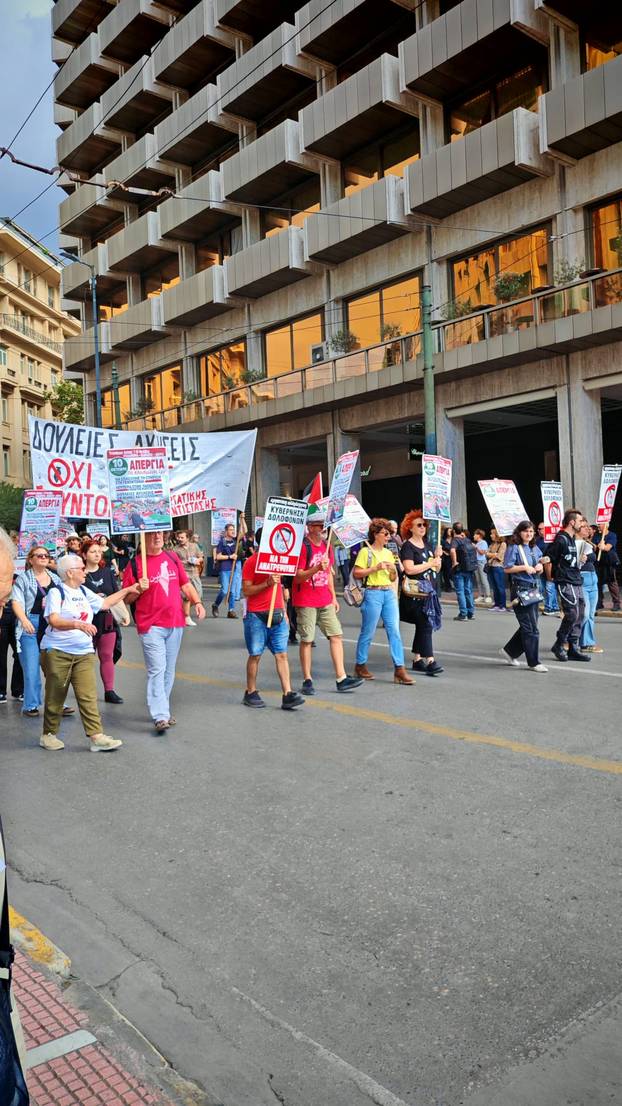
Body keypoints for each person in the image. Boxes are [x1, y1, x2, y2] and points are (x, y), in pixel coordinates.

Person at [38, 554, 142, 751]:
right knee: (56, 694)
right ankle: (49, 734)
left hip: (84, 652)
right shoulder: (56, 593)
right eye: (81, 568)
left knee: (87, 694)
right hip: (58, 651)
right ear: (70, 572)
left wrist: (128, 589)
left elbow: (104, 604)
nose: (85, 571)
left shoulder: (84, 591)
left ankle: (96, 737)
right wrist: (77, 624)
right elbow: (53, 620)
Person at [122, 531, 206, 732]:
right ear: (144, 537)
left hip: (175, 622)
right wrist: (138, 589)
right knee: (157, 669)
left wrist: (197, 602)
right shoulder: (135, 564)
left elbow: (185, 584)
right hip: (151, 625)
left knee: (169, 670)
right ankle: (160, 715)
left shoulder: (172, 557)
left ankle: (163, 709)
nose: (157, 536)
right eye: (153, 534)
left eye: (160, 533)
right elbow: (127, 599)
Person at [293, 518, 362, 695]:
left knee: (336, 635)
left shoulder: (327, 547)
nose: (323, 529)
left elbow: (329, 574)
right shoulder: (302, 547)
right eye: (319, 525)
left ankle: (341, 677)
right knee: (307, 640)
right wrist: (315, 569)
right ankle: (307, 679)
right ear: (309, 528)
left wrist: (333, 597)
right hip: (306, 599)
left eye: (324, 525)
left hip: (324, 599)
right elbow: (298, 577)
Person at [241, 533, 305, 710]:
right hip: (256, 615)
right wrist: (267, 583)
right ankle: (251, 691)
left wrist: (284, 608)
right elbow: (246, 590)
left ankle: (288, 693)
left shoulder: (280, 561)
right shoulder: (252, 562)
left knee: (282, 654)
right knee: (255, 654)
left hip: (277, 613)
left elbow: (280, 585)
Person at [353, 518, 413, 685]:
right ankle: (360, 665)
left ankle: (399, 669)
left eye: (390, 533)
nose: (388, 537)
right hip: (373, 593)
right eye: (385, 533)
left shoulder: (389, 552)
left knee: (394, 631)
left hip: (389, 592)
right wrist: (375, 568)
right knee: (368, 631)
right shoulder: (365, 552)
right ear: (375, 534)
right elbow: (357, 573)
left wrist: (392, 570)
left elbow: (393, 576)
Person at [11, 546, 63, 718]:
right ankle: (31, 704)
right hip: (30, 625)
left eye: (46, 555)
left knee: (56, 669)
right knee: (32, 668)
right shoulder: (23, 579)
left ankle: (59, 704)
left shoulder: (56, 578)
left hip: (51, 625)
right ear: (30, 559)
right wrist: (24, 620)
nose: (43, 558)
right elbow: (16, 602)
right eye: (38, 555)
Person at [82, 538, 128, 703]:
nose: (96, 554)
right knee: (85, 658)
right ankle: (85, 691)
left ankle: (109, 690)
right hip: (85, 621)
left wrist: (124, 614)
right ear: (84, 554)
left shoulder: (107, 572)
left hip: (107, 620)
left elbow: (116, 594)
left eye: (98, 551)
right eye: (92, 551)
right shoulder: (78, 574)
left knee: (106, 655)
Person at [399, 510, 443, 676]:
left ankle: (417, 659)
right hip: (415, 593)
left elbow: (436, 569)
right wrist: (430, 563)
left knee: (423, 624)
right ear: (410, 527)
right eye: (419, 525)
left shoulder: (429, 545)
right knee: (426, 623)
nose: (423, 527)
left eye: (424, 524)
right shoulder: (408, 547)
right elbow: (409, 569)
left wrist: (437, 559)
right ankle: (430, 660)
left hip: (428, 592)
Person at [499, 521, 547, 673]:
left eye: (531, 531)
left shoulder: (534, 547)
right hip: (520, 589)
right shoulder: (514, 548)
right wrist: (524, 567)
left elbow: (540, 560)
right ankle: (534, 662)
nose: (529, 534)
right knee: (530, 627)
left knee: (530, 625)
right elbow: (506, 568)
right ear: (519, 533)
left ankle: (509, 651)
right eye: (526, 531)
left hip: (533, 589)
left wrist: (540, 566)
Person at [546, 509, 590, 663]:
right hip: (565, 581)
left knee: (580, 614)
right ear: (572, 522)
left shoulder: (572, 539)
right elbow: (549, 556)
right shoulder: (561, 539)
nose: (581, 524)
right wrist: (546, 572)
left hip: (576, 579)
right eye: (579, 521)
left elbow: (569, 560)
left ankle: (573, 648)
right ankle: (559, 644)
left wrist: (580, 560)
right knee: (571, 613)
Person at [578, 521, 602, 653]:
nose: (588, 529)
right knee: (584, 614)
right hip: (582, 579)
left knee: (590, 614)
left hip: (593, 579)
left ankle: (587, 643)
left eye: (588, 527)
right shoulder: (573, 544)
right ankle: (567, 639)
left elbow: (595, 558)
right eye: (584, 527)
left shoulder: (588, 543)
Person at [173, 529, 204, 627]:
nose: (180, 539)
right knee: (186, 597)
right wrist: (185, 562)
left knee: (198, 595)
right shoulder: (176, 549)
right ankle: (186, 617)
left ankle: (180, 611)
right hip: (184, 575)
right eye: (179, 537)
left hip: (195, 573)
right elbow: (174, 562)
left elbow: (201, 557)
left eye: (182, 537)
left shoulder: (194, 546)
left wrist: (197, 560)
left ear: (187, 538)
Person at [212, 522, 241, 619]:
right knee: (224, 590)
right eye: (231, 530)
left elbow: (244, 531)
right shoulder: (222, 542)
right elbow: (218, 556)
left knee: (232, 591)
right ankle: (215, 605)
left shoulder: (235, 541)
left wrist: (242, 519)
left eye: (234, 530)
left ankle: (231, 610)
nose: (233, 531)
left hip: (234, 569)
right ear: (226, 531)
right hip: (225, 569)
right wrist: (230, 556)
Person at [450, 523, 478, 621]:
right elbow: (475, 547)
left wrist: (454, 562)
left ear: (453, 531)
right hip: (469, 568)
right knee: (468, 591)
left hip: (459, 569)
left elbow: (452, 551)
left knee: (460, 591)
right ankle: (471, 613)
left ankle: (463, 614)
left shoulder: (455, 540)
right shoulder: (467, 540)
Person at [0, 595, 23, 704]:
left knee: (20, 654)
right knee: (1, 656)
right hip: (1, 616)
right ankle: (0, 691)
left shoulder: (20, 577)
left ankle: (18, 690)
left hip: (17, 617)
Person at [594, 525, 620, 611]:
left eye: (600, 524)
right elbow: (594, 547)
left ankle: (616, 603)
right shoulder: (597, 535)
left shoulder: (612, 535)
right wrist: (596, 546)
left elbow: (608, 547)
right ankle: (599, 602)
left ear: (606, 525)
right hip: (599, 562)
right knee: (598, 583)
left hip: (609, 562)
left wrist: (604, 547)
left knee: (612, 583)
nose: (598, 526)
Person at [485, 529, 508, 611]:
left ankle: (502, 605)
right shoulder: (492, 544)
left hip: (498, 567)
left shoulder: (503, 544)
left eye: (492, 534)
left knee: (500, 586)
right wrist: (493, 555)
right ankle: (496, 604)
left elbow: (500, 556)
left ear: (497, 535)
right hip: (491, 566)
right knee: (494, 587)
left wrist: (492, 555)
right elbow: (486, 553)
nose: (491, 535)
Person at [473, 529, 492, 605]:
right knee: (478, 579)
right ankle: (481, 595)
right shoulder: (477, 543)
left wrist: (476, 548)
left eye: (475, 534)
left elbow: (482, 553)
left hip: (481, 562)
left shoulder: (483, 542)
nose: (474, 536)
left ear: (479, 535)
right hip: (476, 562)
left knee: (483, 578)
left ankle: (488, 596)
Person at [440, 527, 454, 591]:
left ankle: (454, 585)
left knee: (452, 573)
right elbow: (440, 548)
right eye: (449, 531)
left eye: (451, 531)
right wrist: (443, 551)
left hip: (453, 558)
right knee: (446, 573)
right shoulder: (443, 540)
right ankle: (448, 587)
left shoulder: (454, 540)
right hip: (446, 558)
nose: (450, 532)